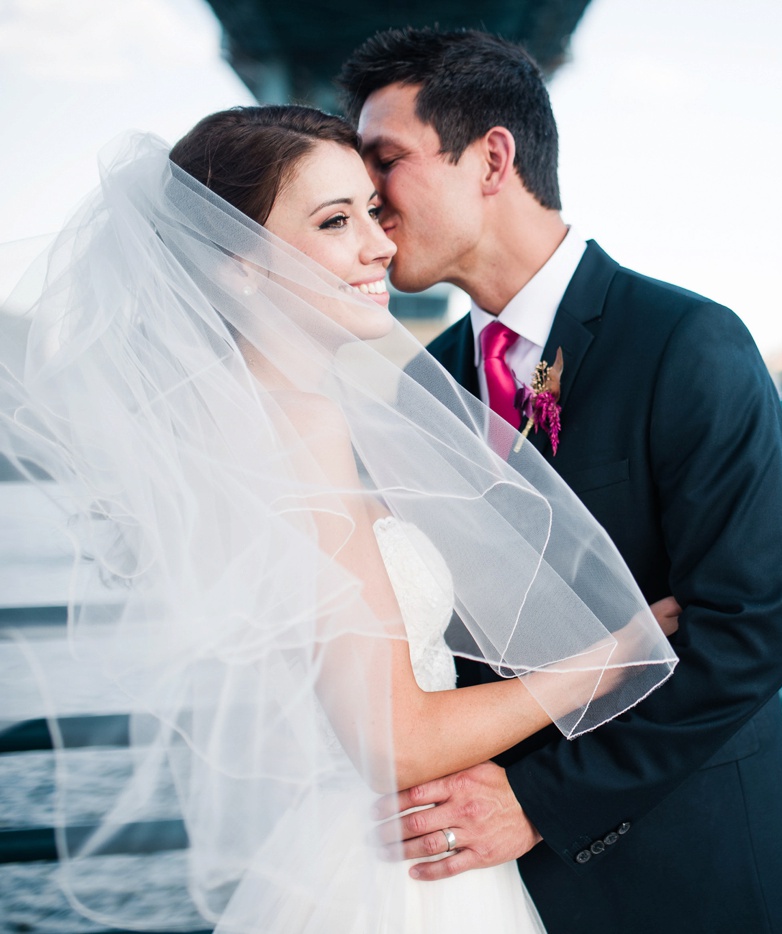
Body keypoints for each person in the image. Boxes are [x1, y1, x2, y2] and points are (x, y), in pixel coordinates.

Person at [0, 106, 677, 933]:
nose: (380, 243)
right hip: (393, 875)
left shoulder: (246, 420)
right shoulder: (302, 426)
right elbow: (399, 743)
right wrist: (617, 653)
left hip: (330, 853)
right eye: (335, 220)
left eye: (370, 208)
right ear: (233, 265)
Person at [340, 28, 782, 934]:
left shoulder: (688, 343)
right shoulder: (419, 383)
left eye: (386, 160)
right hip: (491, 876)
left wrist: (538, 803)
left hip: (686, 857)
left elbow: (749, 634)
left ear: (491, 157)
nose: (370, 198)